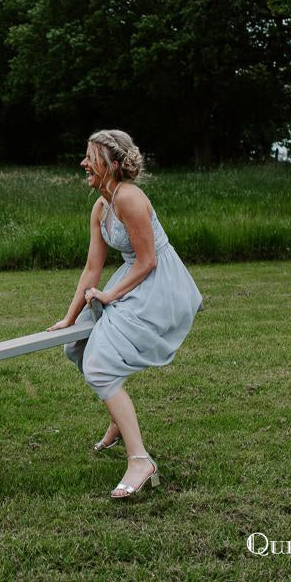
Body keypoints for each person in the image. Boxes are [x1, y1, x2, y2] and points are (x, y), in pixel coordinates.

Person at [48, 130, 202, 499]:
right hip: (132, 278)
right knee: (77, 348)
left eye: (92, 157)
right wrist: (69, 319)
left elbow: (148, 260)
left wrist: (110, 296)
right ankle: (119, 419)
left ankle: (140, 460)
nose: (84, 163)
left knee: (100, 364)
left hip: (157, 284)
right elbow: (91, 268)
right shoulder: (101, 207)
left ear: (113, 164)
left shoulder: (130, 198)